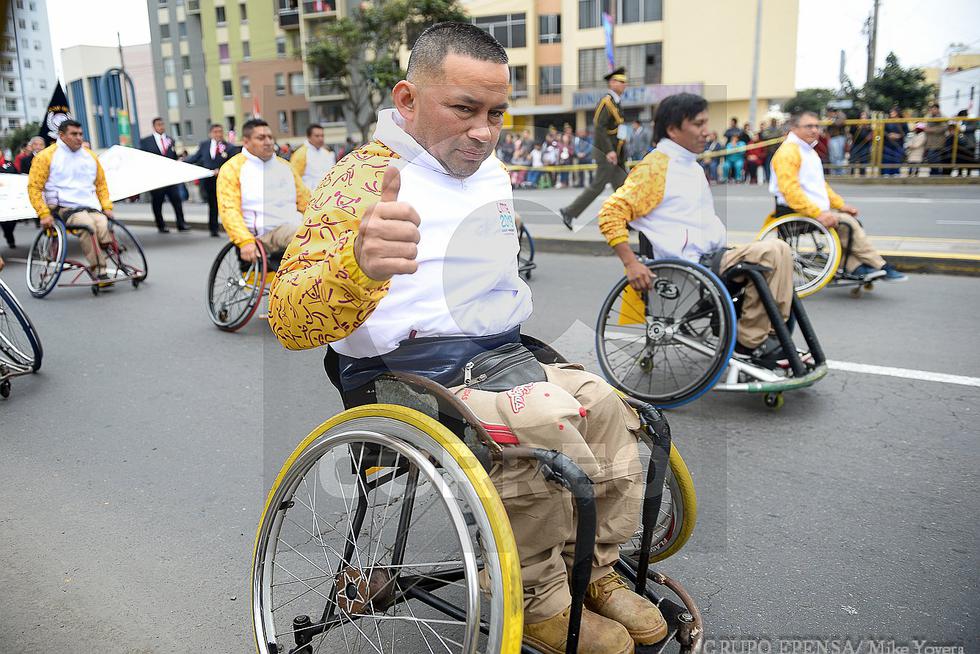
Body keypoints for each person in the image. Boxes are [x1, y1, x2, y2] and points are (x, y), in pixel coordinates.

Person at [268, 22, 667, 654]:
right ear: (407, 101)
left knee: (612, 409)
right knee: (543, 426)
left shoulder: (492, 174)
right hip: (406, 373)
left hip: (502, 356)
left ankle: (594, 568)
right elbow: (287, 318)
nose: (483, 131)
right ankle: (536, 596)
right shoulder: (360, 180)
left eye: (496, 113)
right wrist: (358, 265)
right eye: (463, 109)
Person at [598, 93, 800, 368]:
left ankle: (773, 338)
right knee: (773, 251)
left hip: (713, 256)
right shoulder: (656, 167)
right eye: (698, 124)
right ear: (672, 129)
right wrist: (631, 263)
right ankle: (748, 342)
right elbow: (610, 212)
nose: (706, 131)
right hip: (691, 266)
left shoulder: (690, 166)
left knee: (781, 252)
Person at [770, 110, 906, 281]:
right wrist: (818, 213)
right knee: (847, 223)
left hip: (809, 209)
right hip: (794, 210)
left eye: (816, 126)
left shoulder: (807, 151)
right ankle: (879, 264)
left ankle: (856, 267)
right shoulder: (788, 152)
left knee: (850, 222)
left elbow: (820, 187)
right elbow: (790, 191)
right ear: (794, 128)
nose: (814, 130)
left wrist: (841, 205)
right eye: (809, 126)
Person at [26, 120, 117, 284]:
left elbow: (101, 184)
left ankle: (102, 247)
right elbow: (34, 187)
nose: (79, 138)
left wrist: (106, 206)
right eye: (74, 134)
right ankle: (100, 271)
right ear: (62, 136)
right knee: (88, 225)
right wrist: (43, 213)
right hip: (63, 206)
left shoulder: (89, 156)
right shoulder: (46, 156)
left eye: (80, 134)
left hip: (89, 205)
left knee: (102, 223)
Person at [216, 119, 309, 264]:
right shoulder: (232, 168)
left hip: (293, 225)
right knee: (307, 236)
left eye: (270, 137)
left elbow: (305, 200)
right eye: (261, 138)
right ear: (246, 142)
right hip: (265, 234)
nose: (268, 142)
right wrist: (244, 240)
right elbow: (229, 210)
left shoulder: (285, 166)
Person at [559, 67, 629, 230]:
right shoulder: (607, 102)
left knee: (623, 188)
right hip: (607, 154)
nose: (625, 85)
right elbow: (599, 127)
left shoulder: (616, 103)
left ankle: (628, 220)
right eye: (621, 82)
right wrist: (609, 151)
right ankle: (569, 212)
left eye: (625, 82)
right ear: (612, 83)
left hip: (615, 154)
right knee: (600, 186)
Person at [185, 123, 238, 236]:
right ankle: (213, 229)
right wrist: (182, 163)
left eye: (220, 131)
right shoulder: (205, 145)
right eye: (215, 132)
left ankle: (231, 227)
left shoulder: (229, 147)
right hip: (209, 182)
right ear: (210, 133)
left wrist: (221, 170)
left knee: (226, 205)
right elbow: (195, 158)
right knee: (212, 205)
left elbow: (232, 163)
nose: (218, 134)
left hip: (224, 181)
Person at [139, 117, 189, 233]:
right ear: (154, 126)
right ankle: (161, 225)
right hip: (156, 178)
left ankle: (181, 223)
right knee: (157, 202)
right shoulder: (146, 141)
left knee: (176, 200)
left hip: (170, 178)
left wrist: (180, 157)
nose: (161, 127)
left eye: (162, 124)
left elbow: (173, 156)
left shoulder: (170, 140)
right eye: (158, 125)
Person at [289, 123, 336, 192]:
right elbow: (294, 179)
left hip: (328, 194)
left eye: (322, 136)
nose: (321, 138)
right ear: (309, 137)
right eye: (317, 136)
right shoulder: (300, 154)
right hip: (310, 197)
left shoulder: (327, 153)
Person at [881, 107, 907, 177]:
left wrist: (899, 136)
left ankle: (896, 172)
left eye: (893, 112)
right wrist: (889, 135)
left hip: (898, 144)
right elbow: (882, 131)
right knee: (887, 158)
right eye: (891, 112)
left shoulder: (902, 122)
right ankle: (886, 172)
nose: (891, 113)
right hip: (888, 144)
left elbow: (906, 132)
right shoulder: (887, 121)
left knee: (897, 158)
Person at [923, 103, 946, 176]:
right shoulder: (929, 117)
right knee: (930, 159)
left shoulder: (942, 117)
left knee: (936, 159)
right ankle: (933, 173)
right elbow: (925, 127)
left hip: (938, 142)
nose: (933, 111)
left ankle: (936, 174)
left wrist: (931, 130)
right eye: (931, 109)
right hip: (929, 142)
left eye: (934, 109)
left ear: (938, 109)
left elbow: (944, 128)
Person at [848, 111, 873, 176]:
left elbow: (872, 136)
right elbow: (851, 134)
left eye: (865, 117)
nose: (863, 118)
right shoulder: (855, 125)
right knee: (852, 161)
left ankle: (863, 176)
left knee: (863, 162)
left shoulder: (869, 127)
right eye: (862, 117)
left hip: (865, 146)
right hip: (855, 145)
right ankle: (851, 175)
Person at [826, 110, 846, 176]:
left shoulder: (840, 114)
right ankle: (836, 173)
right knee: (833, 157)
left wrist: (832, 121)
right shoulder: (829, 117)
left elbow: (840, 122)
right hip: (832, 138)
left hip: (838, 137)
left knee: (838, 156)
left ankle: (840, 173)